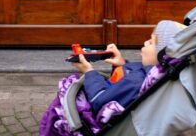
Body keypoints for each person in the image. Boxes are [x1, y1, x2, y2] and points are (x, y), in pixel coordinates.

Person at [39, 20, 184, 135]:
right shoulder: (154, 74)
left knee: (68, 92)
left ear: (162, 56)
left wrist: (89, 72)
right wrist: (121, 65)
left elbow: (100, 99)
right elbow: (129, 80)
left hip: (97, 112)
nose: (145, 43)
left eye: (151, 42)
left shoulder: (136, 81)